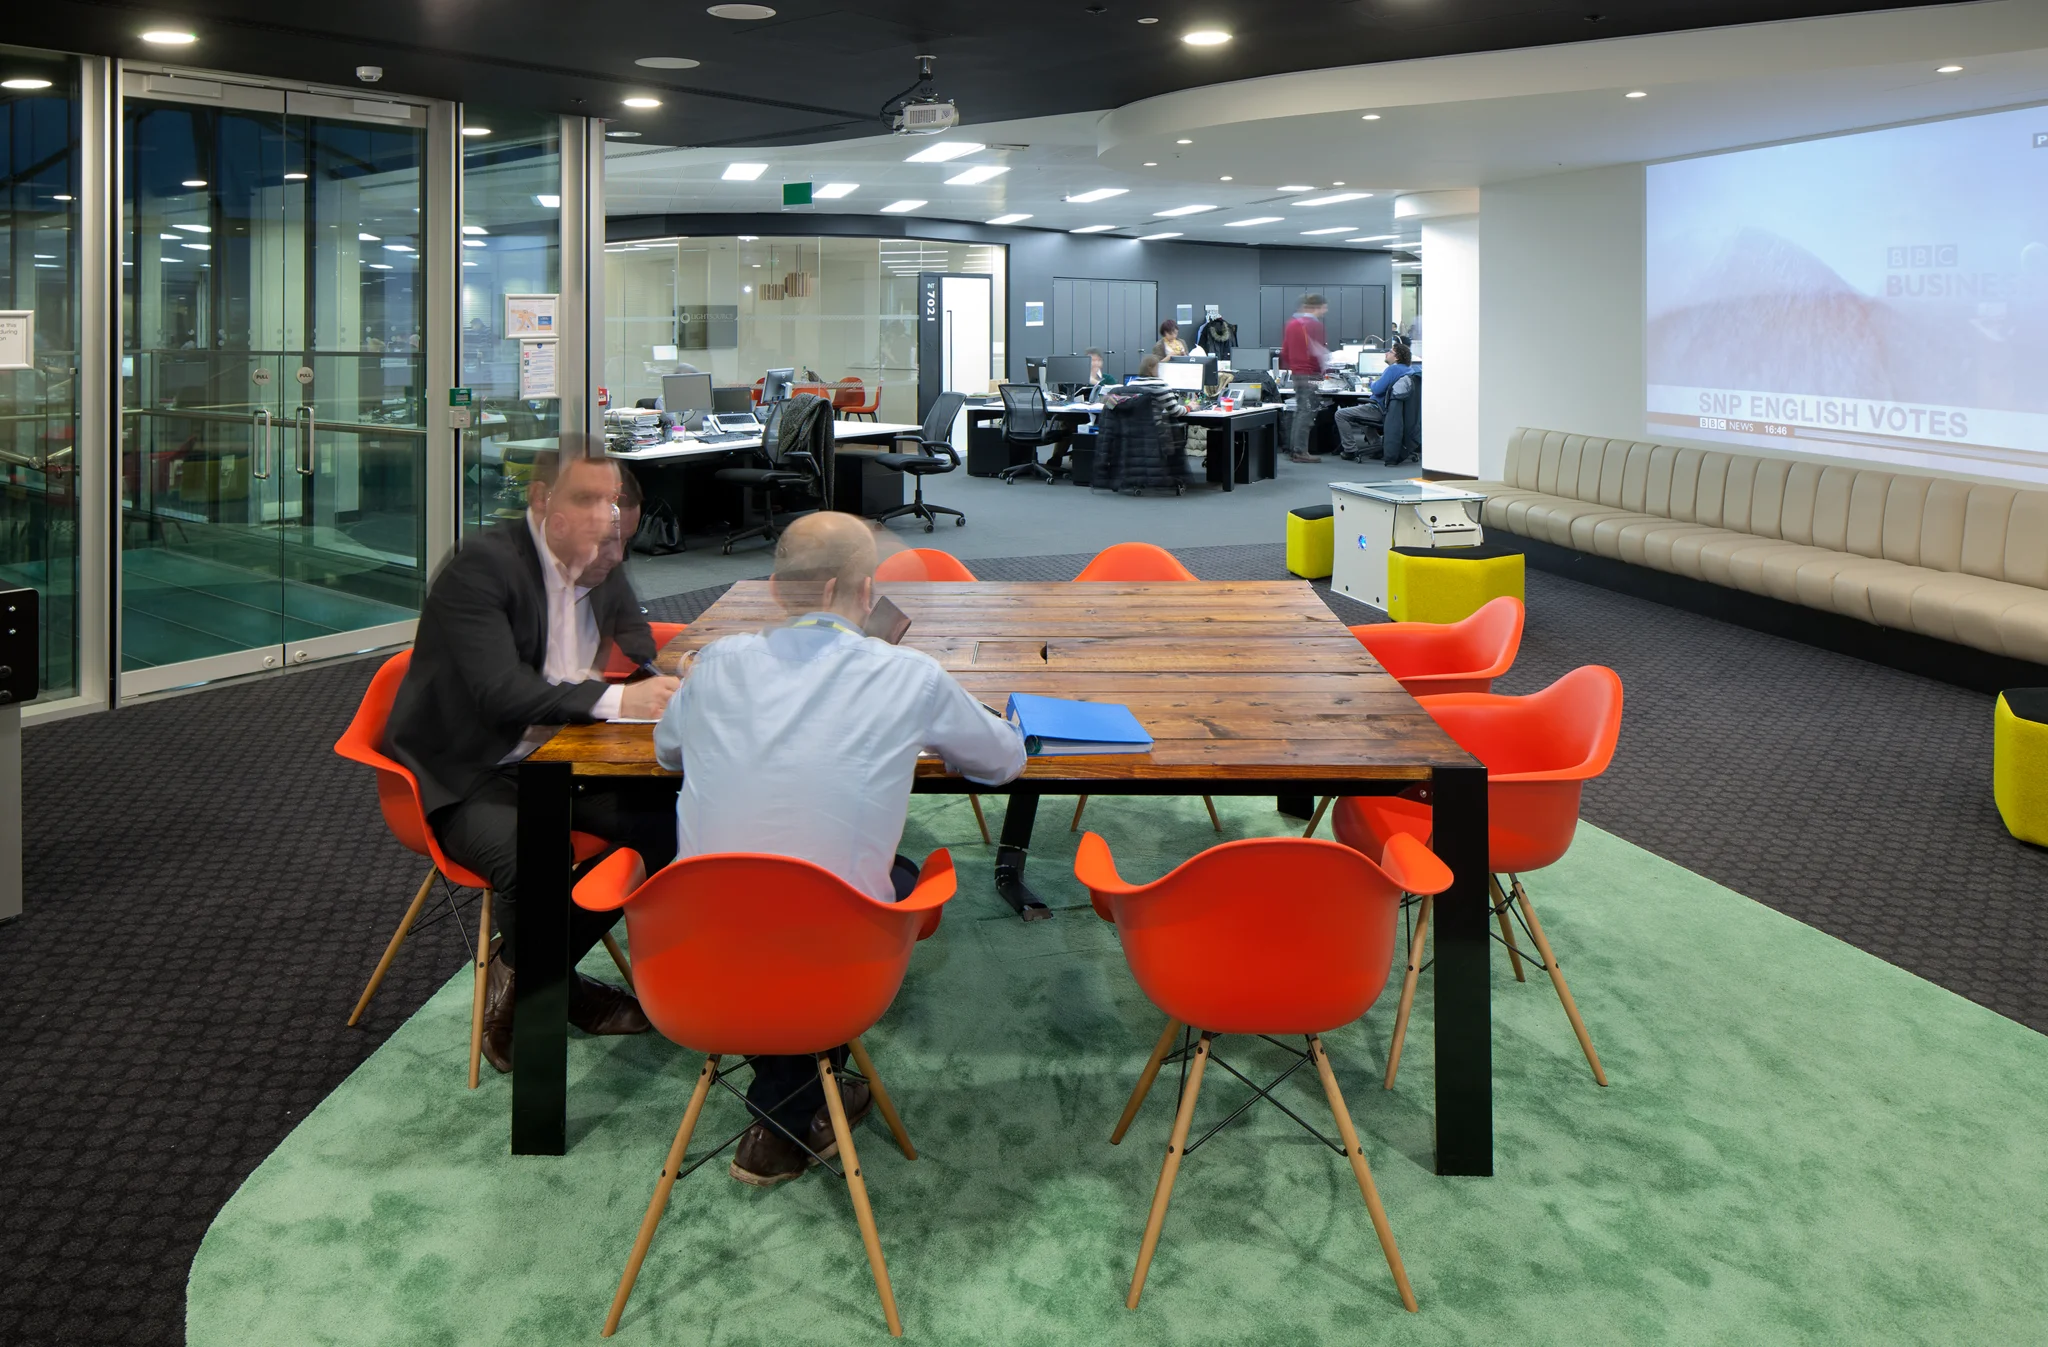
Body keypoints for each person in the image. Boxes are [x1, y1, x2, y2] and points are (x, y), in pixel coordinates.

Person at [653, 513, 1027, 1187]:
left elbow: (664, 751)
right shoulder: (908, 674)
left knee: (786, 892)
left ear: (777, 590)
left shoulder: (715, 667)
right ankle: (785, 1119)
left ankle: (784, 1107)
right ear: (855, 591)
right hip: (839, 957)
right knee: (881, 879)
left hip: (697, 951)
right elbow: (1003, 762)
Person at [386, 436, 682, 1074]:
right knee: (536, 856)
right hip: (469, 766)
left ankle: (523, 967)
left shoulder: (598, 554)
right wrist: (620, 700)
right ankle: (555, 992)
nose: (607, 530)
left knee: (672, 823)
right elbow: (501, 693)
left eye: (614, 513)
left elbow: (635, 635)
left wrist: (672, 672)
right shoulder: (481, 568)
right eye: (591, 504)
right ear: (545, 502)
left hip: (558, 755)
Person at [1336, 342, 1420, 461]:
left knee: (1340, 414)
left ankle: (1350, 450)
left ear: (1397, 357)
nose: (1386, 353)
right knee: (1362, 415)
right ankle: (1377, 445)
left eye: (1390, 351)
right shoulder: (1409, 370)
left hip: (1381, 410)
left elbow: (1377, 389)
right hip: (1396, 412)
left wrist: (1371, 383)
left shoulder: (1393, 369)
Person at [1281, 293, 1331, 463]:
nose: (1325, 310)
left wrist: (1296, 366)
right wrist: (1323, 372)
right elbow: (1319, 352)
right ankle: (1300, 452)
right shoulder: (1314, 325)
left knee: (1301, 410)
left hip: (1298, 373)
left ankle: (1294, 449)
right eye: (1324, 307)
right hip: (1311, 373)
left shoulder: (1292, 324)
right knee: (1308, 412)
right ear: (1316, 307)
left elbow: (1285, 352)